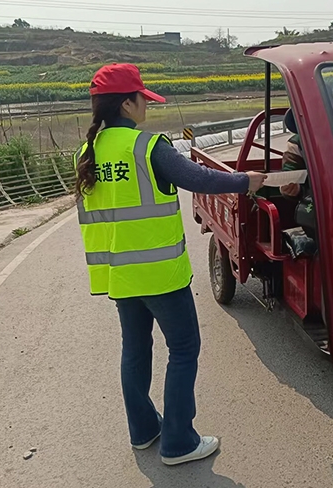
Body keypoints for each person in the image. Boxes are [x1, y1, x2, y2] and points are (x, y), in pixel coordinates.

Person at [74, 64, 266, 466]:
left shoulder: (87, 153)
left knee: (135, 349)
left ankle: (144, 431)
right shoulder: (146, 146)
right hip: (161, 274)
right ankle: (178, 442)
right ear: (127, 103)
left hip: (121, 276)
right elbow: (196, 177)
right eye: (142, 98)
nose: (147, 104)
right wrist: (244, 181)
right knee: (183, 348)